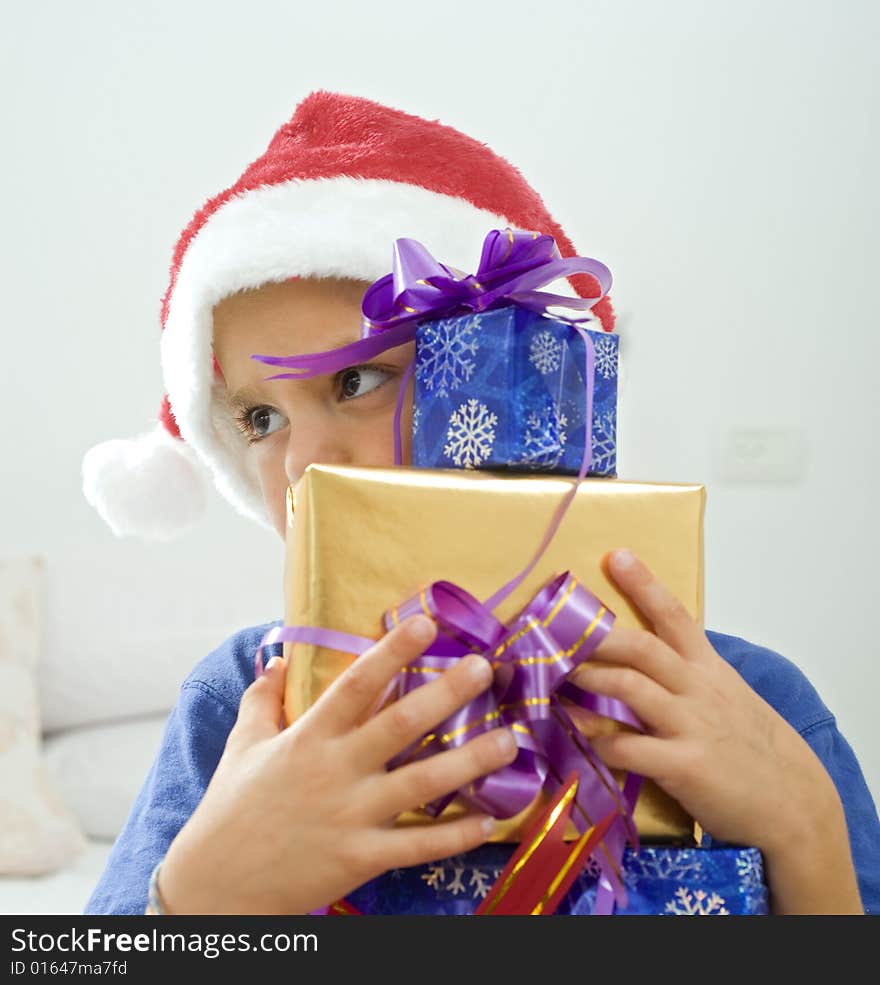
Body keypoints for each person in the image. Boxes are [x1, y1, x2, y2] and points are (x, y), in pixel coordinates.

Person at [81, 90, 880, 916]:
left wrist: (807, 830)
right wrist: (197, 900)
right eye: (261, 419)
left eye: (357, 380)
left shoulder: (753, 701)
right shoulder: (238, 710)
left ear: (514, 378)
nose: (303, 463)